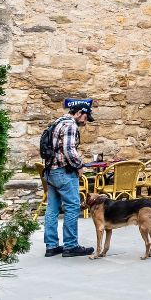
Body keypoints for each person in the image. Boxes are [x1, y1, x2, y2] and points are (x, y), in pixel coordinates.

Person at [43, 101, 95, 258]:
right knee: (73, 206)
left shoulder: (57, 122)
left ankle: (51, 246)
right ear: (79, 113)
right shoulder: (71, 125)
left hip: (51, 171)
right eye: (85, 117)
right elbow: (69, 150)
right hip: (64, 172)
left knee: (52, 208)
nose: (85, 121)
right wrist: (79, 165)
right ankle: (70, 246)